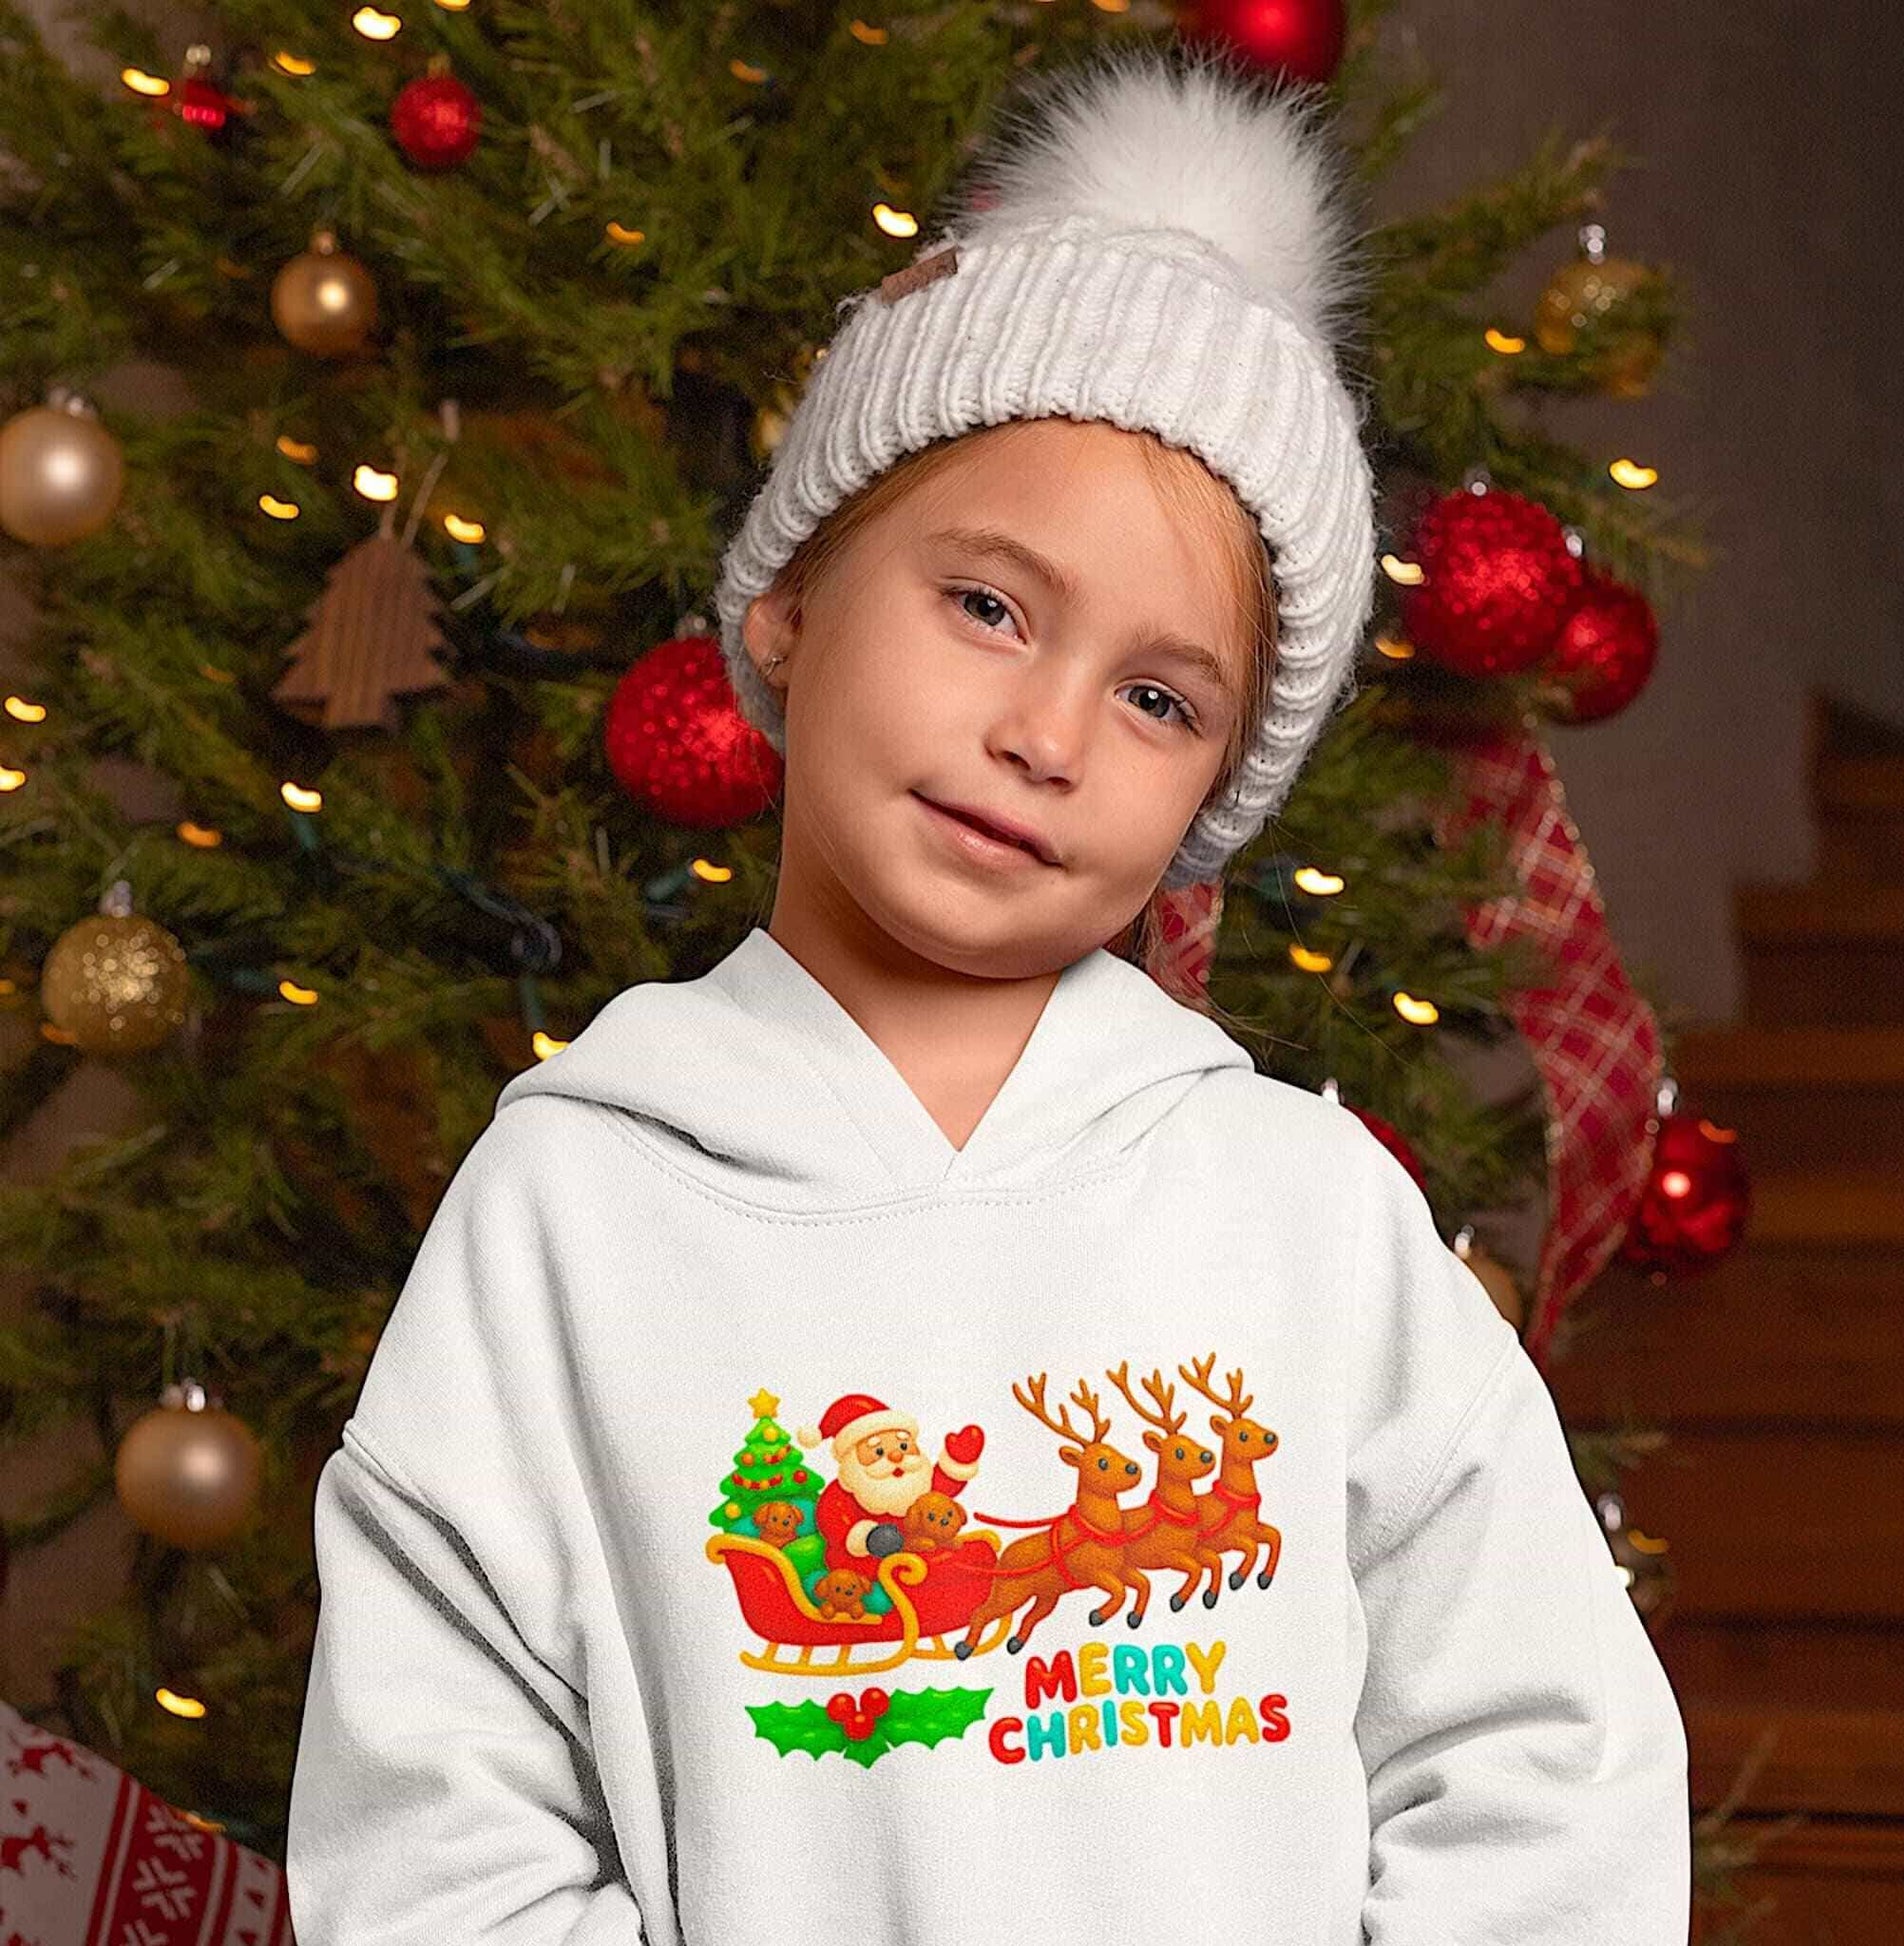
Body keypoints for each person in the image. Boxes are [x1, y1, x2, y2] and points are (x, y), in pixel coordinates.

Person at [285, 39, 1691, 1946]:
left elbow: (1550, 1760)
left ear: (1213, 793)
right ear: (790, 600)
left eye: (1156, 696)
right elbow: (436, 1848)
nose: (1046, 733)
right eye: (987, 605)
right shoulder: (571, 1212)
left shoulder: (1303, 1212)